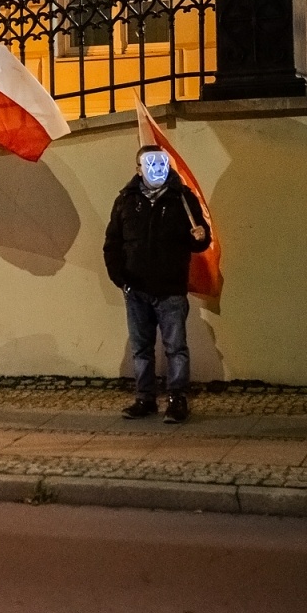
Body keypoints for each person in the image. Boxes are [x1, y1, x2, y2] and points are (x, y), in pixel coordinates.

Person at [103, 145, 211, 424]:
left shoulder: (182, 199)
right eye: (150, 165)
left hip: (170, 288)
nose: (157, 170)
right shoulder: (126, 200)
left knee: (176, 347)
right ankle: (145, 398)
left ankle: (177, 400)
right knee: (142, 348)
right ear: (138, 169)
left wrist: (201, 237)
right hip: (136, 288)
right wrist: (121, 279)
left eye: (161, 165)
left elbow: (198, 239)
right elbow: (113, 242)